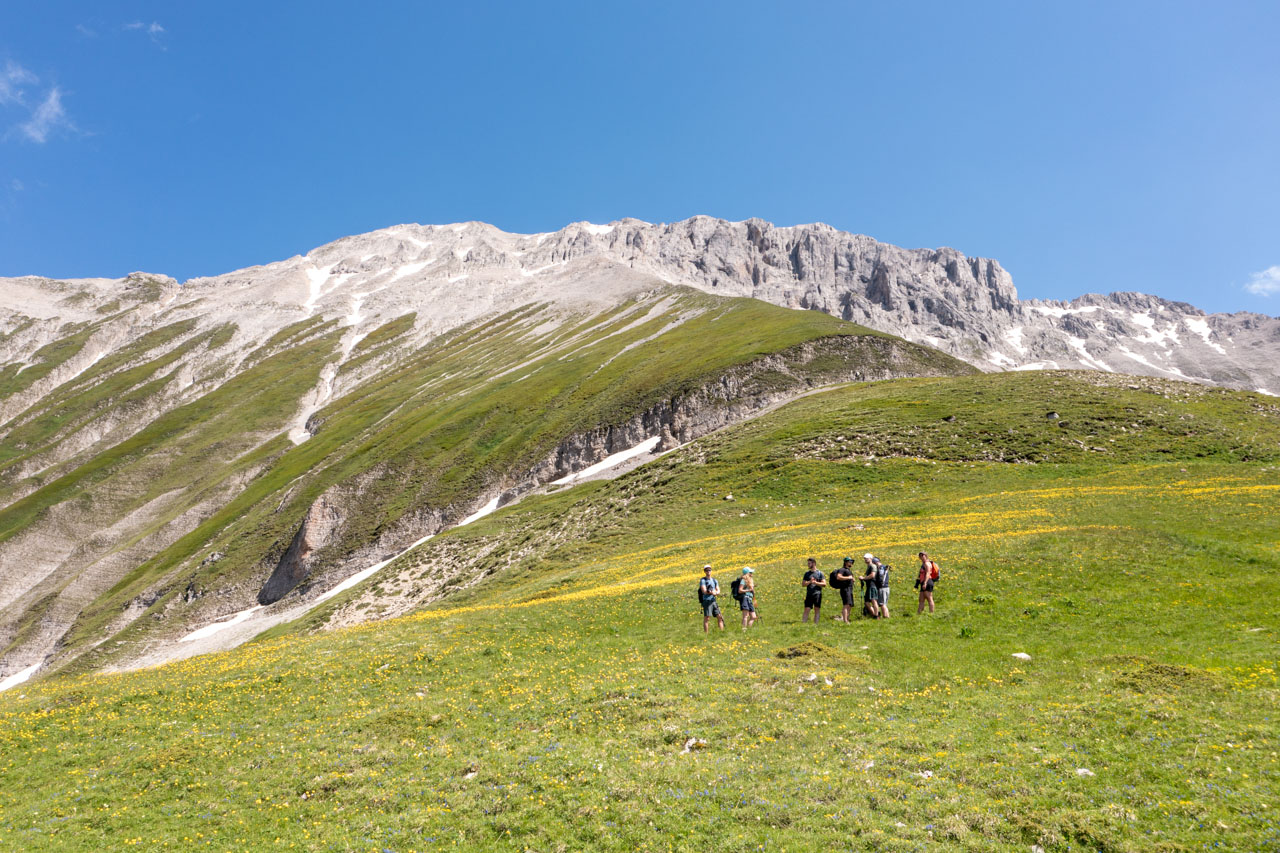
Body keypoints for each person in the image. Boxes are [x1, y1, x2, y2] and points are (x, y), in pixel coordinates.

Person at [698, 564, 724, 633]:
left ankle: (722, 633)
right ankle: (706, 634)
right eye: (706, 570)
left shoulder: (714, 580)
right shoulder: (703, 580)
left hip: (713, 600)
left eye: (709, 570)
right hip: (706, 601)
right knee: (707, 618)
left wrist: (716, 592)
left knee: (720, 617)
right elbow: (704, 591)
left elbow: (718, 589)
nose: (708, 571)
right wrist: (712, 592)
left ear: (711, 570)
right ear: (704, 571)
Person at [831, 556, 856, 623]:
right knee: (846, 604)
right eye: (850, 562)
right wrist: (848, 577)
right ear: (846, 562)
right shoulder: (842, 569)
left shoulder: (848, 570)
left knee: (850, 604)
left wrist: (852, 579)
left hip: (849, 589)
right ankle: (845, 620)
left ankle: (847, 618)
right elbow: (838, 577)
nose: (851, 563)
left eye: (852, 562)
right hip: (845, 589)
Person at [801, 557, 826, 623]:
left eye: (809, 563)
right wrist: (810, 582)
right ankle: (803, 623)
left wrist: (815, 583)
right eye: (808, 563)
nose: (808, 565)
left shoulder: (820, 573)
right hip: (809, 594)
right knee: (807, 609)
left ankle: (816, 624)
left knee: (817, 609)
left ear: (814, 563)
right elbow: (803, 584)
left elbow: (824, 584)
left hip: (817, 594)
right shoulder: (807, 574)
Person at [860, 553, 881, 618]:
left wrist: (863, 578)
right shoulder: (869, 566)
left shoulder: (873, 566)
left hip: (872, 585)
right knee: (866, 602)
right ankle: (873, 614)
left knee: (873, 600)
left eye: (867, 558)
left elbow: (872, 575)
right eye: (865, 558)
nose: (865, 559)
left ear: (871, 558)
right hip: (869, 586)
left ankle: (876, 615)